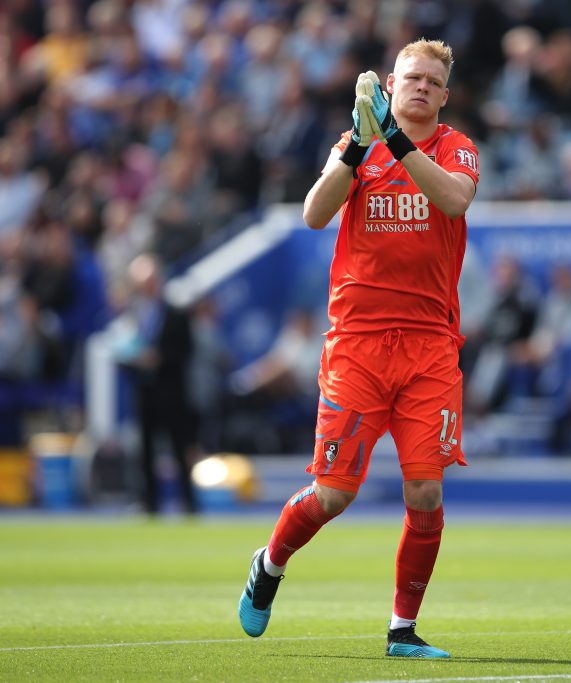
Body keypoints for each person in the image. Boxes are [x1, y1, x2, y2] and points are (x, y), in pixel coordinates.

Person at [237, 39, 478, 659]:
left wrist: (393, 143)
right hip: (359, 346)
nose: (421, 87)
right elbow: (315, 214)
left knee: (425, 493)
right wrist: (359, 145)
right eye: (411, 78)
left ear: (444, 95)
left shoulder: (456, 147)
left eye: (432, 81)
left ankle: (402, 630)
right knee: (334, 493)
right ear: (389, 86)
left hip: (428, 346)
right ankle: (270, 561)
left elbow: (453, 199)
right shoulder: (357, 146)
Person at [118, 253, 197, 515]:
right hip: (144, 391)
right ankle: (148, 502)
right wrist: (134, 360)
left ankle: (187, 502)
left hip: (171, 392)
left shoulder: (175, 313)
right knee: (145, 449)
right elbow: (123, 349)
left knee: (178, 447)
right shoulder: (133, 314)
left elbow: (186, 351)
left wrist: (159, 359)